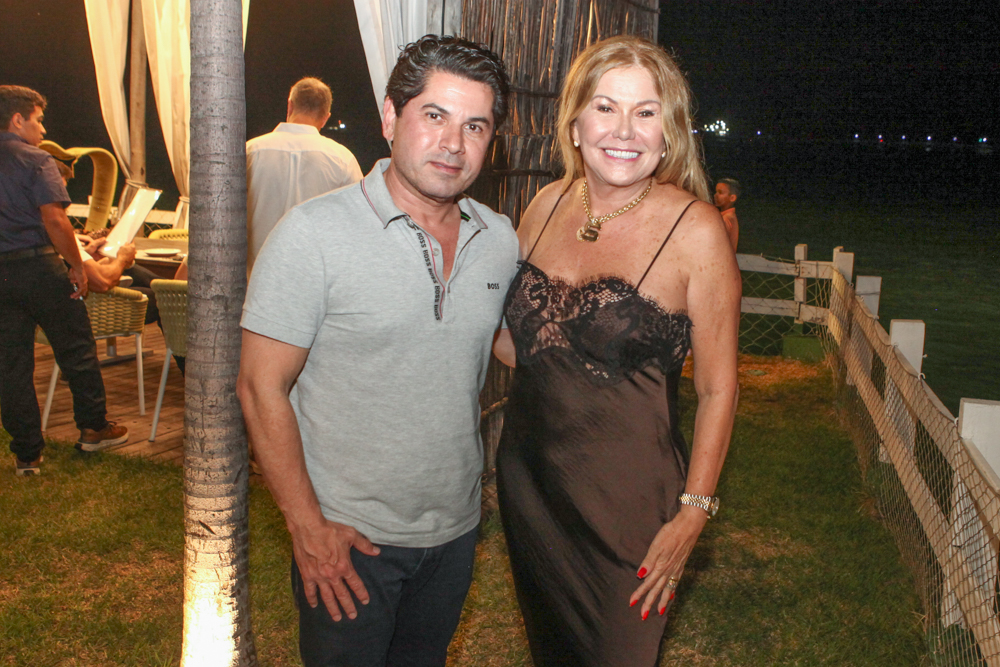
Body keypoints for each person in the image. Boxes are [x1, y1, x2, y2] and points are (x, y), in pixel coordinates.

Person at [237, 36, 517, 666]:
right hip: (349, 539)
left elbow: (503, 343)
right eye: (435, 115)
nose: (453, 143)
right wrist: (308, 528)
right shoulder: (313, 234)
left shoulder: (499, 239)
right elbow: (259, 387)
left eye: (475, 126)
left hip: (456, 527)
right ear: (392, 118)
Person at [491, 36, 741, 666]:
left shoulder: (696, 231)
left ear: (668, 133)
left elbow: (718, 388)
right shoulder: (544, 206)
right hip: (531, 483)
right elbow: (521, 347)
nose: (624, 130)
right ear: (575, 124)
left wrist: (694, 512)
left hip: (630, 505)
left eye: (645, 112)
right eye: (605, 107)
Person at [0, 85, 129, 476]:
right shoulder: (35, 159)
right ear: (18, 119)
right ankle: (93, 428)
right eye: (38, 120)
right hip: (39, 266)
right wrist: (76, 265)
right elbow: (55, 220)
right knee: (76, 348)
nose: (42, 129)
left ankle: (27, 454)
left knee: (11, 366)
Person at [245, 76, 363, 273]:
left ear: (290, 106)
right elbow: (358, 224)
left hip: (254, 281)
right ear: (326, 117)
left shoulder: (251, 151)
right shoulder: (343, 159)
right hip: (316, 283)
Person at [714, 177, 740, 251]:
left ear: (732, 198)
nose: (715, 195)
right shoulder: (729, 217)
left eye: (720, 192)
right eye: (716, 192)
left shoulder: (726, 219)